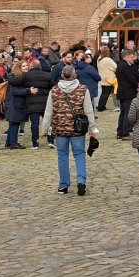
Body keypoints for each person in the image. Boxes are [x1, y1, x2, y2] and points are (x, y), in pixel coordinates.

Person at [42, 64, 98, 195]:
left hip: (60, 128)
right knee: (79, 154)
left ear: (62, 76)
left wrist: (44, 129)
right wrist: (93, 128)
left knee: (62, 156)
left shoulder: (54, 91)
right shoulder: (83, 90)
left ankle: (63, 185)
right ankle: (81, 180)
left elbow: (48, 112)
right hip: (78, 128)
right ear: (75, 75)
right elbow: (89, 111)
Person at [22, 59, 53, 149]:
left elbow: (17, 82)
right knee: (48, 122)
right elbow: (53, 85)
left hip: (32, 102)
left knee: (34, 124)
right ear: (40, 66)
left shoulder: (26, 76)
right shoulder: (47, 75)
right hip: (45, 102)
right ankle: (51, 140)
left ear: (31, 66)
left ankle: (35, 143)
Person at [114, 48, 139, 141]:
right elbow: (131, 79)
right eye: (132, 57)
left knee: (123, 113)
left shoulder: (126, 65)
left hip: (124, 92)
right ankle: (125, 133)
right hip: (127, 92)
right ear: (126, 57)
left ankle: (120, 132)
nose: (134, 59)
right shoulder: (124, 66)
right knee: (127, 114)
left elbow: (136, 75)